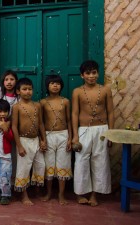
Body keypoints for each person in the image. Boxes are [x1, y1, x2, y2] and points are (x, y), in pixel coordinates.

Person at [72, 60, 114, 206]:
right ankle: (80, 193)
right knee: (81, 161)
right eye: (88, 73)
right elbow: (75, 113)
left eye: (94, 72)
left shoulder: (105, 90)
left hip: (102, 129)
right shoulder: (77, 91)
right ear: (82, 75)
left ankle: (95, 194)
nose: (91, 76)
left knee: (100, 161)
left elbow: (111, 112)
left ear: (98, 73)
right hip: (83, 130)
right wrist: (75, 135)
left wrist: (111, 134)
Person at [12, 78, 47, 205]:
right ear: (18, 91)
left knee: (40, 165)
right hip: (23, 140)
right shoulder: (16, 107)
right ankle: (24, 195)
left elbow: (41, 123)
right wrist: (19, 145)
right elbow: (14, 127)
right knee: (24, 168)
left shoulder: (37, 105)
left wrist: (44, 140)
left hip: (36, 140)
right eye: (24, 89)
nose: (27, 92)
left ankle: (36, 190)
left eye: (30, 89)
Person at [40, 75, 72, 205]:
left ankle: (61, 194)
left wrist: (70, 138)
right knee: (49, 165)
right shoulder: (43, 102)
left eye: (58, 83)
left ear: (61, 86)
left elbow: (69, 120)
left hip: (63, 135)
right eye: (52, 83)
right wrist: (42, 139)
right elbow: (41, 122)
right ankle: (48, 193)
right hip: (48, 135)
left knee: (63, 165)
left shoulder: (65, 101)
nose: (55, 86)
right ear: (47, 86)